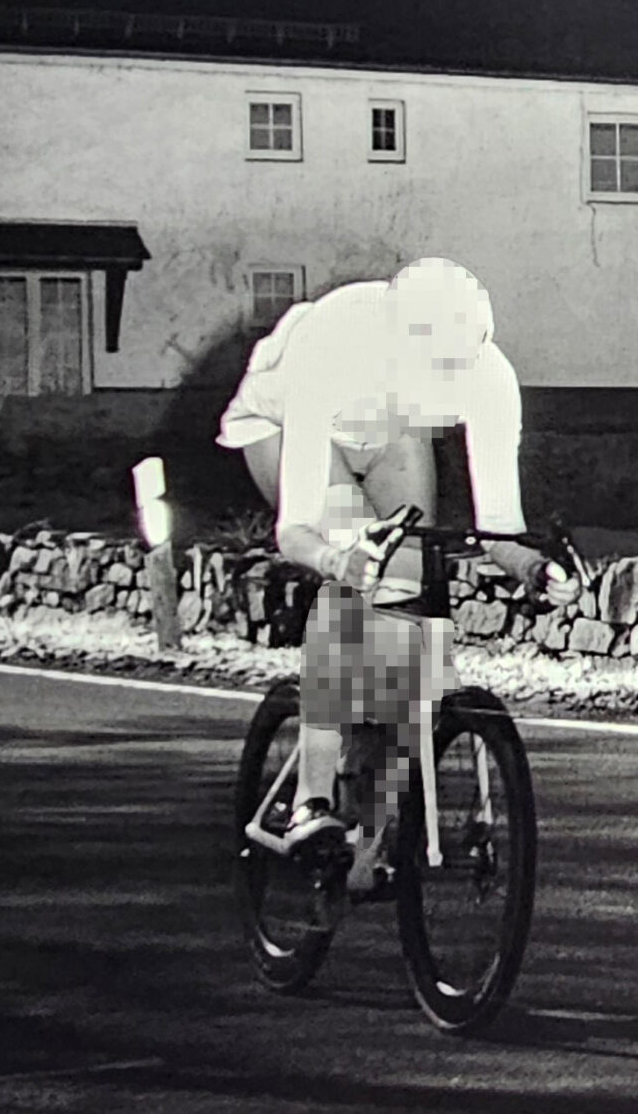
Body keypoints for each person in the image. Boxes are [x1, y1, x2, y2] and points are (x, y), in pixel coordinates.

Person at [217, 257, 579, 888]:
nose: (450, 387)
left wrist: (534, 566)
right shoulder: (334, 348)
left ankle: (370, 823)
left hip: (387, 430)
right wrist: (339, 560)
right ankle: (310, 801)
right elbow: (294, 530)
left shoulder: (489, 374)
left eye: (455, 374)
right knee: (356, 582)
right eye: (434, 374)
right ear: (399, 351)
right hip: (283, 425)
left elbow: (499, 524)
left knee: (407, 594)